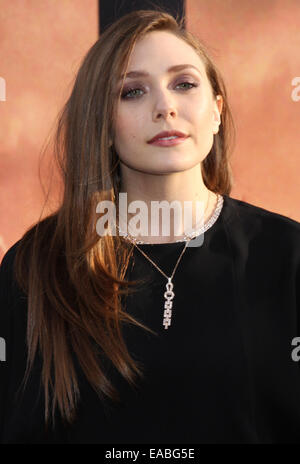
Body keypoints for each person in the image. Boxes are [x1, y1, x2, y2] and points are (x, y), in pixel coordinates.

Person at [1, 9, 300, 444]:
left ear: (216, 112)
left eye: (184, 84)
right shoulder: (37, 267)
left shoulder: (287, 255)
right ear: (102, 124)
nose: (165, 107)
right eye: (132, 91)